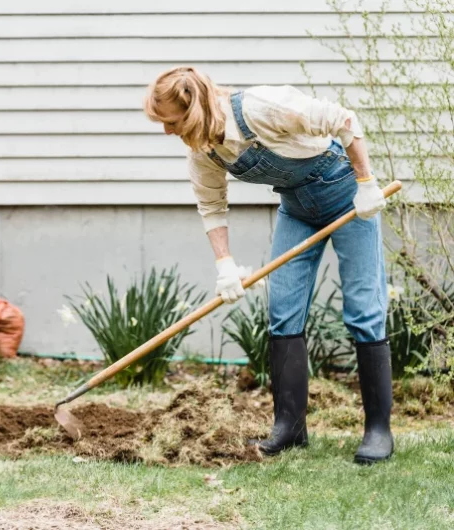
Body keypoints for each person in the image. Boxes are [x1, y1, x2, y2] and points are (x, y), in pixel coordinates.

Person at [144, 66, 393, 465]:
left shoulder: (261, 107)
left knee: (364, 310)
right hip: (297, 210)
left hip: (349, 199)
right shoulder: (205, 149)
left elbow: (344, 120)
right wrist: (225, 264)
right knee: (283, 313)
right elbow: (212, 206)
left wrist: (366, 183)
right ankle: (289, 428)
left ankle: (378, 430)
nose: (167, 131)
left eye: (170, 122)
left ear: (190, 110)